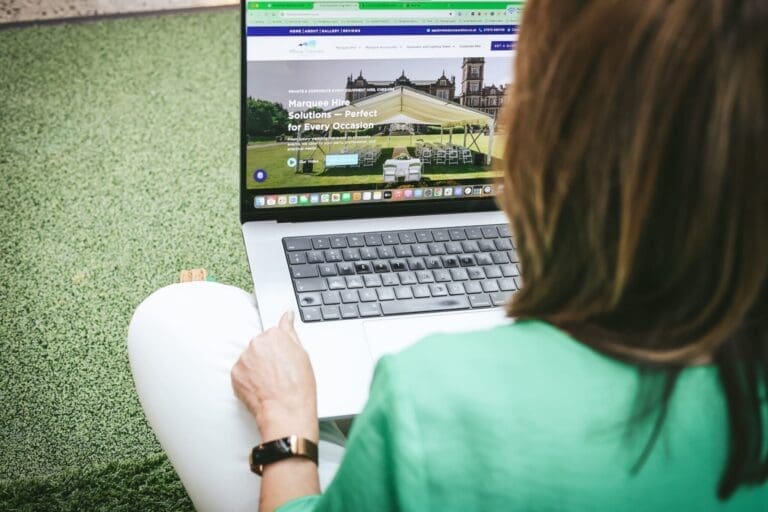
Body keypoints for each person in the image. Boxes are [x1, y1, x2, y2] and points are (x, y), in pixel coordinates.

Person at [128, 0, 768, 510]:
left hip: (434, 454)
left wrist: (286, 421)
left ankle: (332, 436)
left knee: (177, 318)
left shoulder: (430, 395)